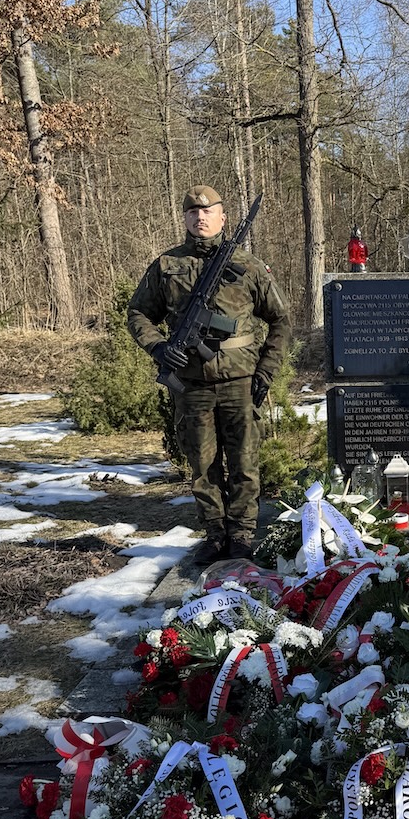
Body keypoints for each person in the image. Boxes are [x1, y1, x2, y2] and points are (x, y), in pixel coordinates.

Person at [128, 185, 290, 565]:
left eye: (207, 211)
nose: (200, 218)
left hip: (240, 381)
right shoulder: (167, 265)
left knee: (244, 463)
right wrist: (158, 347)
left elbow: (281, 320)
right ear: (185, 218)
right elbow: (138, 314)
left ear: (222, 217)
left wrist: (266, 370)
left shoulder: (247, 265)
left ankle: (243, 535)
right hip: (192, 383)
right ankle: (215, 535)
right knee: (202, 465)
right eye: (192, 212)